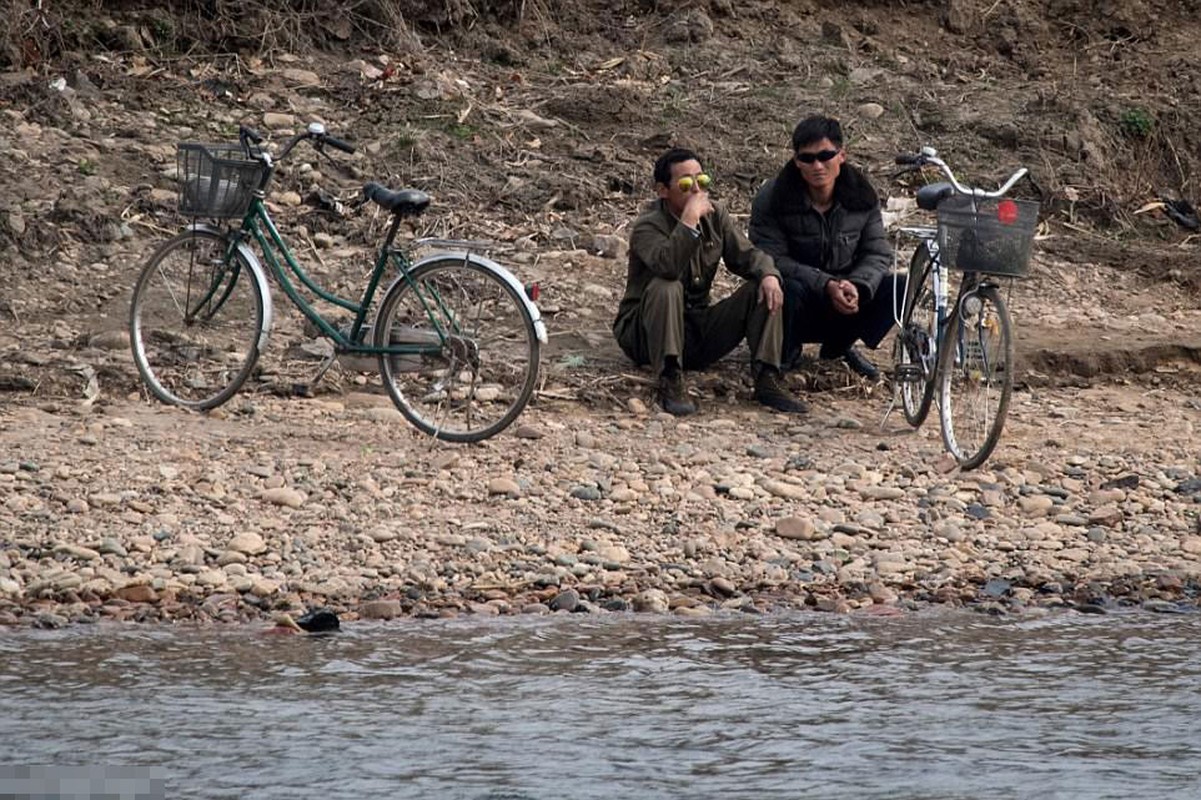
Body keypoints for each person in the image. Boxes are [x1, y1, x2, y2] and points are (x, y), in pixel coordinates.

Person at [613, 147, 808, 416]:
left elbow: (747, 255)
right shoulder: (648, 226)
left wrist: (769, 274)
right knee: (667, 286)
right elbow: (667, 266)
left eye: (701, 181)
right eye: (685, 183)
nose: (696, 189)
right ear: (662, 190)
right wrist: (689, 221)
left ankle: (767, 378)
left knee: (761, 287)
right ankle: (670, 376)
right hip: (645, 335)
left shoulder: (716, 215)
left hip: (695, 329)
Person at [749, 115, 896, 381]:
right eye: (807, 158)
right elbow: (770, 257)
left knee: (899, 287)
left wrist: (858, 285)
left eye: (825, 155)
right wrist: (825, 283)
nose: (817, 165)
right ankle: (785, 350)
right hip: (799, 296)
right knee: (782, 285)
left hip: (846, 296)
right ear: (796, 161)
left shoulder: (862, 195)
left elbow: (877, 252)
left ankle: (838, 348)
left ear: (841, 155)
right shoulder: (773, 197)